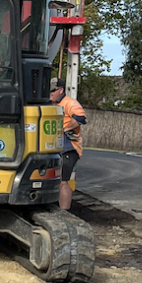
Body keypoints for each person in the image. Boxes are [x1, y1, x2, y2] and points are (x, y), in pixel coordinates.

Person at [49, 77, 86, 210]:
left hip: (69, 147)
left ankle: (65, 212)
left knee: (62, 181)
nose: (50, 94)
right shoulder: (51, 104)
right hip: (55, 146)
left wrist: (64, 129)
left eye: (52, 91)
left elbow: (80, 119)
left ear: (61, 90)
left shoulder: (70, 103)